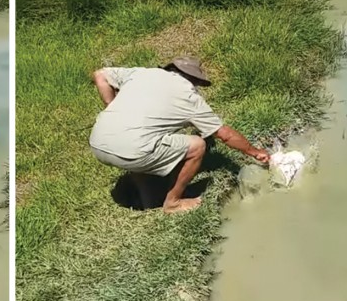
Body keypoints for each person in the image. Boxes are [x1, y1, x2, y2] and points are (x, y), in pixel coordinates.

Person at [89, 55, 270, 213]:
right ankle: (173, 203)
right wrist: (254, 151)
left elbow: (100, 75)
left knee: (143, 141)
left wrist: (111, 107)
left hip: (97, 143)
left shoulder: (142, 73)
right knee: (197, 146)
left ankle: (149, 200)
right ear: (195, 81)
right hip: (134, 149)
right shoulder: (189, 96)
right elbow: (225, 135)